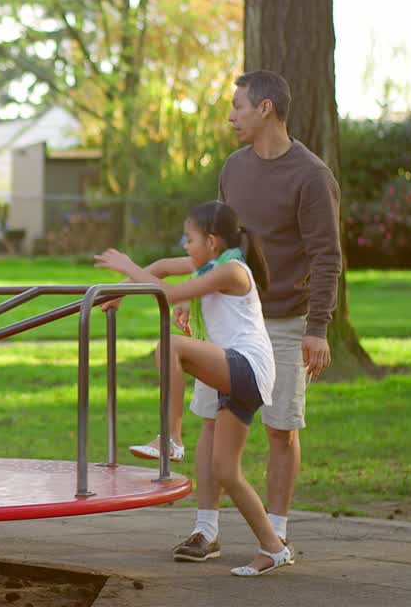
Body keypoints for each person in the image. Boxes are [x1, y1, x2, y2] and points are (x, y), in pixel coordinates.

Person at [170, 70, 342, 563]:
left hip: (287, 321)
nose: (230, 117)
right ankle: (206, 530)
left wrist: (318, 328)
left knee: (281, 428)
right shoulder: (233, 167)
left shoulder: (310, 176)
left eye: (237, 107)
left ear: (265, 108)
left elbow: (327, 256)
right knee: (210, 420)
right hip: (231, 321)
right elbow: (216, 243)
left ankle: (278, 532)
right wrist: (189, 296)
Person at [95, 201, 294, 577]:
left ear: (213, 241)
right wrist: (121, 289)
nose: (185, 246)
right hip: (237, 371)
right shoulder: (213, 265)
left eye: (189, 239)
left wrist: (127, 267)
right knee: (226, 471)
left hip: (247, 366)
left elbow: (167, 293)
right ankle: (273, 548)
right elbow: (159, 271)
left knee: (171, 346)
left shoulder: (232, 271)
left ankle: (171, 437)